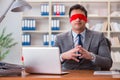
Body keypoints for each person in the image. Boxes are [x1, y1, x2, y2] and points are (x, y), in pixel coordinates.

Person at [54, 4, 113, 70]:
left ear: (86, 19)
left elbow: (108, 63)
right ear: (70, 20)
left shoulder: (99, 36)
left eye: (81, 17)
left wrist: (91, 56)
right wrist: (63, 56)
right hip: (67, 76)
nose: (78, 19)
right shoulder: (59, 38)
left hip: (91, 76)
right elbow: (51, 61)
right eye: (74, 17)